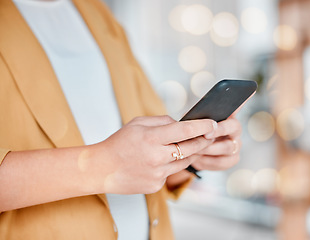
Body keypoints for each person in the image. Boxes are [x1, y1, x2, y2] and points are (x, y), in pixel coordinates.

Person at [0, 0, 242, 239]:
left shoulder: (98, 13)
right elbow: (120, 162)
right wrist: (103, 165)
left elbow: (145, 158)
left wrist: (191, 154)